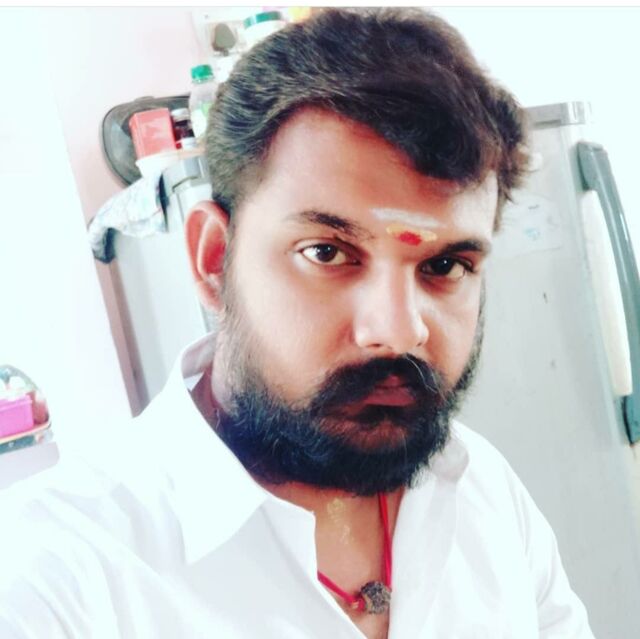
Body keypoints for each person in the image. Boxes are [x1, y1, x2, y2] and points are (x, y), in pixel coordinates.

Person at [0, 8, 595, 639]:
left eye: (445, 265)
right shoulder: (51, 579)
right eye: (328, 253)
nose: (398, 331)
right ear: (213, 260)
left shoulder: (484, 490)